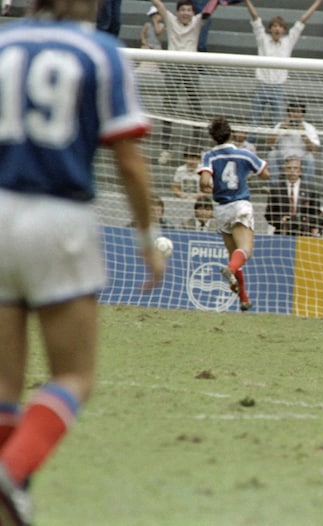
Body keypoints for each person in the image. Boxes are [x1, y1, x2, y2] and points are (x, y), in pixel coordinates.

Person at [0, 1, 164, 522]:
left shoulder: (2, 45)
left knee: (3, 389)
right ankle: (11, 472)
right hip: (59, 217)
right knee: (73, 375)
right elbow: (129, 162)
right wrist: (147, 237)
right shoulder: (100, 52)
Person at [198, 116, 270, 312]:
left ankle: (243, 299)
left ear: (213, 138)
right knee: (245, 251)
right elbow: (265, 174)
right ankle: (229, 270)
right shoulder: (244, 154)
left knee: (234, 256)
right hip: (240, 205)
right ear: (231, 134)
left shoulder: (210, 156)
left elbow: (204, 182)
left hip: (221, 209)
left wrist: (211, 187)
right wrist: (246, 174)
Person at [243, 0, 323, 142]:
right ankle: (250, 147)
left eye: (280, 26)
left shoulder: (288, 42)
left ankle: (276, 149)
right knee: (254, 122)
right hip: (262, 85)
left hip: (278, 88)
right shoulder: (263, 39)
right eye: (274, 26)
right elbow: (255, 19)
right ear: (270, 29)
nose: (277, 29)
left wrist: (318, 2)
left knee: (278, 124)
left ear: (284, 30)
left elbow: (302, 21)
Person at [150, 0, 208, 166]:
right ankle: (166, 150)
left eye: (189, 10)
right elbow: (159, 5)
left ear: (193, 13)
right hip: (173, 68)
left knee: (195, 108)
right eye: (182, 10)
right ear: (177, 12)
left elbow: (212, 7)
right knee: (168, 108)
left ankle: (197, 148)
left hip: (191, 68)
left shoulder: (197, 21)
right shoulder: (170, 20)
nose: (185, 13)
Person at [265, 156, 323, 237]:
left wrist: (302, 220)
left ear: (300, 171)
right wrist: (281, 220)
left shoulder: (311, 191)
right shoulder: (276, 190)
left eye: (295, 168)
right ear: (285, 170)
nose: (292, 171)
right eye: (289, 168)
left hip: (305, 234)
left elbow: (316, 215)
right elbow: (269, 215)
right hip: (282, 233)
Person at [267, 100, 321, 184]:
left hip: (301, 159)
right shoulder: (280, 125)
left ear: (303, 114)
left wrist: (304, 134)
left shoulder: (309, 128)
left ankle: (306, 187)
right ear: (288, 113)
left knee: (310, 158)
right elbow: (269, 143)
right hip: (284, 159)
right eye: (293, 111)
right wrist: (280, 129)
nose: (295, 114)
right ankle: (274, 186)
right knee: (272, 154)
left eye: (298, 112)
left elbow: (314, 149)